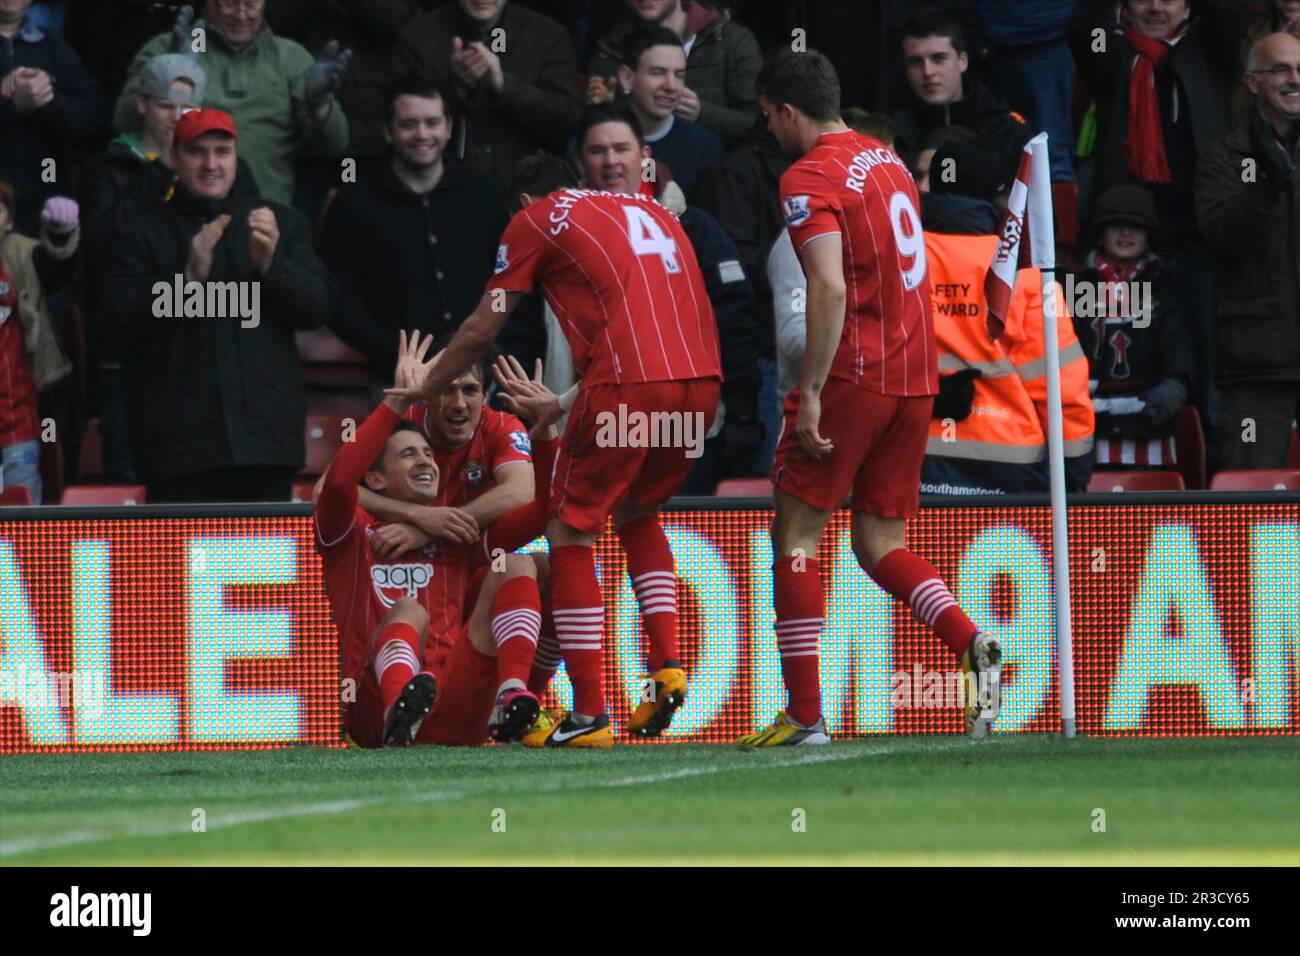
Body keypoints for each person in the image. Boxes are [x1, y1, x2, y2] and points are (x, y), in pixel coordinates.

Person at [390, 154, 723, 748]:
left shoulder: (536, 219)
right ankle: (666, 664)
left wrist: (429, 383)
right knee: (639, 514)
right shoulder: (645, 207)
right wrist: (565, 401)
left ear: (523, 203)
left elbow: (482, 328)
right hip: (700, 385)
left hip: (626, 385)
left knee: (570, 532)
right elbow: (650, 327)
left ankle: (591, 713)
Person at [743, 49, 1001, 747]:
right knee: (879, 540)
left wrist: (816, 390)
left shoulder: (807, 176)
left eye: (769, 117)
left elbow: (827, 287)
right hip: (916, 379)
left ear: (790, 111)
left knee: (796, 534)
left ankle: (805, 716)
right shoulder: (888, 162)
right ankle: (969, 638)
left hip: (855, 374)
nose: (768, 130)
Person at [316, 332, 561, 746]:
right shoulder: (353, 529)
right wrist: (395, 402)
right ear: (374, 478)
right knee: (410, 610)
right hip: (371, 706)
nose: (428, 461)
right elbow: (335, 484)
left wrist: (546, 433)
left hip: (452, 707)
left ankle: (515, 699)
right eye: (410, 454)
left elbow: (543, 507)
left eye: (428, 454)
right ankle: (400, 712)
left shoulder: (458, 534)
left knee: (519, 564)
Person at [98, 108, 332, 502]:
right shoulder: (136, 230)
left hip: (265, 446)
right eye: (197, 152)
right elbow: (112, 326)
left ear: (236, 156)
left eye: (221, 152)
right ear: (173, 156)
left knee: (264, 566)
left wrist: (271, 266)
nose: (211, 164)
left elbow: (319, 308)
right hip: (177, 452)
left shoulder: (278, 222)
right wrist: (184, 282)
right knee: (175, 566)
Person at [1070, 0, 1242, 452]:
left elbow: (1228, 19)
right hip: (1128, 248)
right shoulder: (1111, 51)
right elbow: (1084, 26)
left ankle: (1213, 488)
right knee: (1132, 373)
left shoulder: (1209, 50)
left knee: (1204, 373)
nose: (1155, 6)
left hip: (1201, 245)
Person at [573, 103, 764, 487]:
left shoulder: (693, 228)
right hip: (586, 429)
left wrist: (743, 414)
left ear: (645, 156)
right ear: (580, 163)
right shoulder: (557, 234)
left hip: (683, 431)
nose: (611, 162)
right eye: (598, 151)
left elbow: (735, 321)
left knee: (676, 539)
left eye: (622, 149)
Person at [918, 141, 1094, 495]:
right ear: (998, 197)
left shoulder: (898, 261)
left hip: (911, 459)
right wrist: (1073, 470)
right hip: (1011, 470)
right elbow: (1060, 384)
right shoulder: (1024, 273)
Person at [319, 76, 509, 382]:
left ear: (448, 127)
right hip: (397, 379)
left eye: (432, 122)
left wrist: (496, 350)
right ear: (388, 131)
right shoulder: (355, 202)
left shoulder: (483, 193)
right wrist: (390, 351)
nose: (422, 134)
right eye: (408, 124)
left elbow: (511, 278)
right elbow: (337, 297)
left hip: (485, 375)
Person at [79, 53, 206, 484]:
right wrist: (159, 173)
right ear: (142, 105)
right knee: (130, 484)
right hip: (127, 353)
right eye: (167, 106)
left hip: (193, 349)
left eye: (188, 109)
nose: (177, 117)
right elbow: (101, 244)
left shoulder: (212, 171)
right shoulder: (108, 169)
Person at [113, 1, 352, 207]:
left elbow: (336, 145)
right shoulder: (169, 46)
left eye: (250, 4)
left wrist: (320, 106)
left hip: (264, 219)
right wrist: (170, 78)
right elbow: (122, 120)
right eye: (229, 3)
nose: (241, 14)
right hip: (178, 217)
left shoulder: (291, 58)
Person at [1197, 31, 1300, 470]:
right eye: (1281, 69)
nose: (1295, 78)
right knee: (1252, 497)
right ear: (1252, 82)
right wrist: (1266, 185)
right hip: (1258, 358)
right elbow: (1221, 235)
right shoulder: (1223, 157)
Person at [393, 0, 581, 191]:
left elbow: (566, 120)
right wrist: (456, 86)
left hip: (527, 194)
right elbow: (397, 120)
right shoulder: (418, 37)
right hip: (442, 193)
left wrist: (502, 84)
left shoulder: (547, 35)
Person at [1070, 185, 1192, 473]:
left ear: (1149, 236)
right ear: (1100, 234)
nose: (1126, 234)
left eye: (1135, 227)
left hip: (1151, 430)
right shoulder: (1074, 288)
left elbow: (1180, 346)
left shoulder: (1164, 286)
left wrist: (1175, 387)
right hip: (1088, 432)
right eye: (1116, 226)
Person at [0, 0, 109, 235]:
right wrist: (10, 104)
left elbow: (96, 120)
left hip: (44, 212)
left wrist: (49, 100)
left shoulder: (53, 47)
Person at [585, 0, 760, 146]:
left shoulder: (732, 41)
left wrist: (702, 114)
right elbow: (586, 139)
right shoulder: (609, 51)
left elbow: (762, 126)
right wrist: (604, 107)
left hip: (710, 174)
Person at [890, 5, 1034, 180]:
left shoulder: (1005, 130)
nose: (928, 71)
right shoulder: (889, 131)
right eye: (915, 62)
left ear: (963, 61)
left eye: (939, 59)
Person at [265, 0, 419, 160]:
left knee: (355, 176)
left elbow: (400, 21)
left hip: (370, 117)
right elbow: (272, 20)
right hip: (304, 122)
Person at [0, 187, 76, 503]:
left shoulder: (19, 254)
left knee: (22, 523)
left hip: (17, 420)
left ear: (9, 221)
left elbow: (53, 264)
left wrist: (61, 233)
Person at [609, 27, 724, 204]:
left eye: (679, 75)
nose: (671, 86)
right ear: (627, 77)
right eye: (657, 73)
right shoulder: (595, 140)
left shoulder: (704, 148)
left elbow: (707, 226)